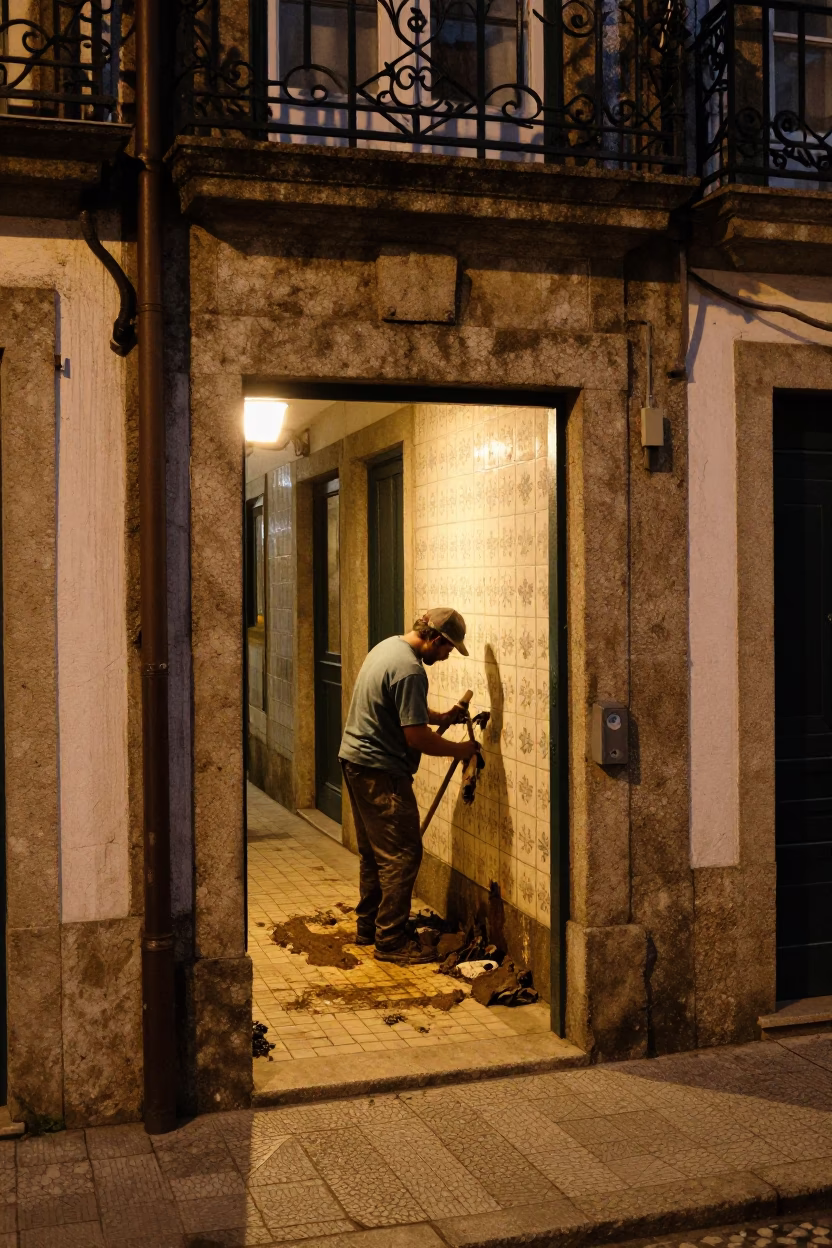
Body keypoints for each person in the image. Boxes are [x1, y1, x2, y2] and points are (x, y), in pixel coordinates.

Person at [339, 608, 480, 964]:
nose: (447, 656)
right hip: (379, 771)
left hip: (355, 761)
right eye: (448, 649)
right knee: (403, 854)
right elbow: (416, 738)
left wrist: (443, 717)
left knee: (375, 853)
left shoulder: (388, 648)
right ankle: (391, 941)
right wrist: (462, 750)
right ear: (436, 639)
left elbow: (402, 708)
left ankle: (369, 928)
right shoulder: (412, 670)